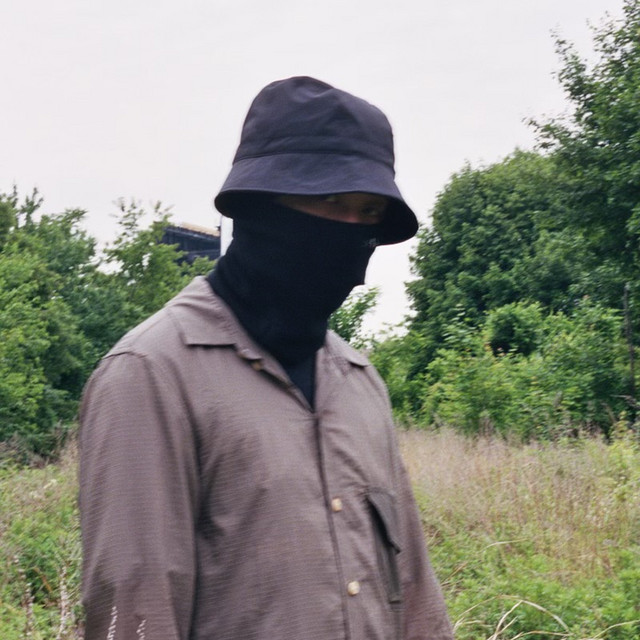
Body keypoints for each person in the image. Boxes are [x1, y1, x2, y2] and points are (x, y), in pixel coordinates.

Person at [79, 76, 453, 640]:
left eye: (369, 210)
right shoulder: (151, 375)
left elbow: (414, 590)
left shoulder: (360, 381)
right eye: (329, 201)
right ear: (259, 206)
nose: (350, 229)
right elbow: (137, 610)